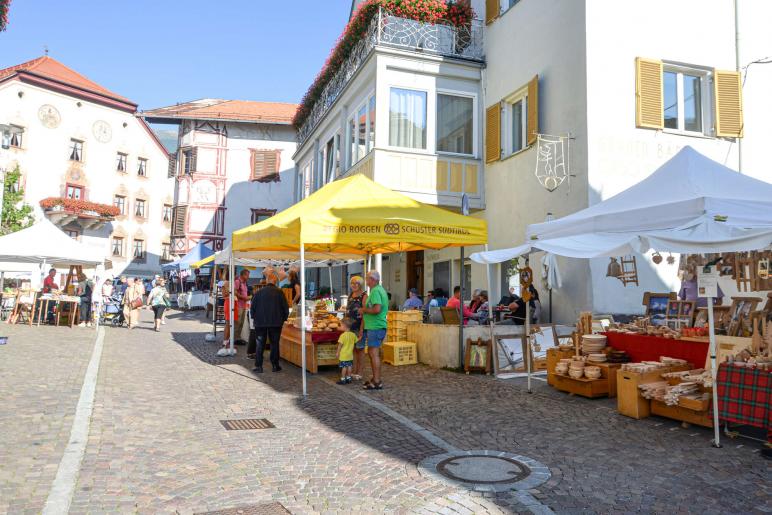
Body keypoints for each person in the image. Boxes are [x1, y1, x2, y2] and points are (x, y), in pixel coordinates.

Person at [250, 269, 289, 373]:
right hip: (276, 323)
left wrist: (254, 318)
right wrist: (283, 319)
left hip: (260, 322)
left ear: (267, 281)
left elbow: (252, 308)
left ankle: (258, 366)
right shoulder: (280, 292)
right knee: (274, 344)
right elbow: (285, 308)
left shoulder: (259, 292)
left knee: (260, 344)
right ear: (275, 281)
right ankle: (275, 365)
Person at [359, 270, 387, 390]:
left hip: (375, 326)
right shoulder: (379, 290)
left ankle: (376, 381)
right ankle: (376, 379)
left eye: (367, 278)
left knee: (373, 354)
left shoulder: (375, 291)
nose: (366, 280)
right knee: (373, 353)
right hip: (376, 326)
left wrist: (363, 310)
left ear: (373, 279)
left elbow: (377, 309)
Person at [348, 275, 368, 381]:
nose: (354, 285)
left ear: (360, 285)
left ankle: (360, 372)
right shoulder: (350, 295)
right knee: (353, 349)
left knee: (360, 349)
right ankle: (354, 370)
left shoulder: (364, 296)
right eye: (352, 283)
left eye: (356, 283)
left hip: (360, 326)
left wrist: (361, 329)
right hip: (351, 327)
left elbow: (365, 313)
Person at [218, 278, 237, 356]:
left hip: (232, 303)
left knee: (231, 324)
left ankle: (228, 342)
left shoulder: (230, 283)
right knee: (228, 324)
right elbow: (224, 294)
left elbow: (234, 293)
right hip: (229, 303)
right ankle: (225, 343)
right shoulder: (226, 283)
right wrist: (231, 292)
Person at [335, 318, 357, 385]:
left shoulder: (342, 335)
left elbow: (340, 346)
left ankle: (343, 379)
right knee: (349, 366)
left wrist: (337, 353)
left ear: (344, 326)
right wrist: (360, 337)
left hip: (344, 355)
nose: (340, 327)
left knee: (344, 367)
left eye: (341, 325)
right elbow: (356, 341)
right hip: (350, 354)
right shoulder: (353, 334)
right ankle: (348, 378)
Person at [234, 269, 251, 345]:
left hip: (243, 305)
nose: (248, 277)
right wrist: (244, 298)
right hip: (238, 305)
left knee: (241, 323)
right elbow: (235, 293)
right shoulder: (238, 281)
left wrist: (247, 297)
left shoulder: (244, 283)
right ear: (243, 275)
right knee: (237, 323)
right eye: (247, 275)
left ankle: (237, 338)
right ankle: (234, 339)